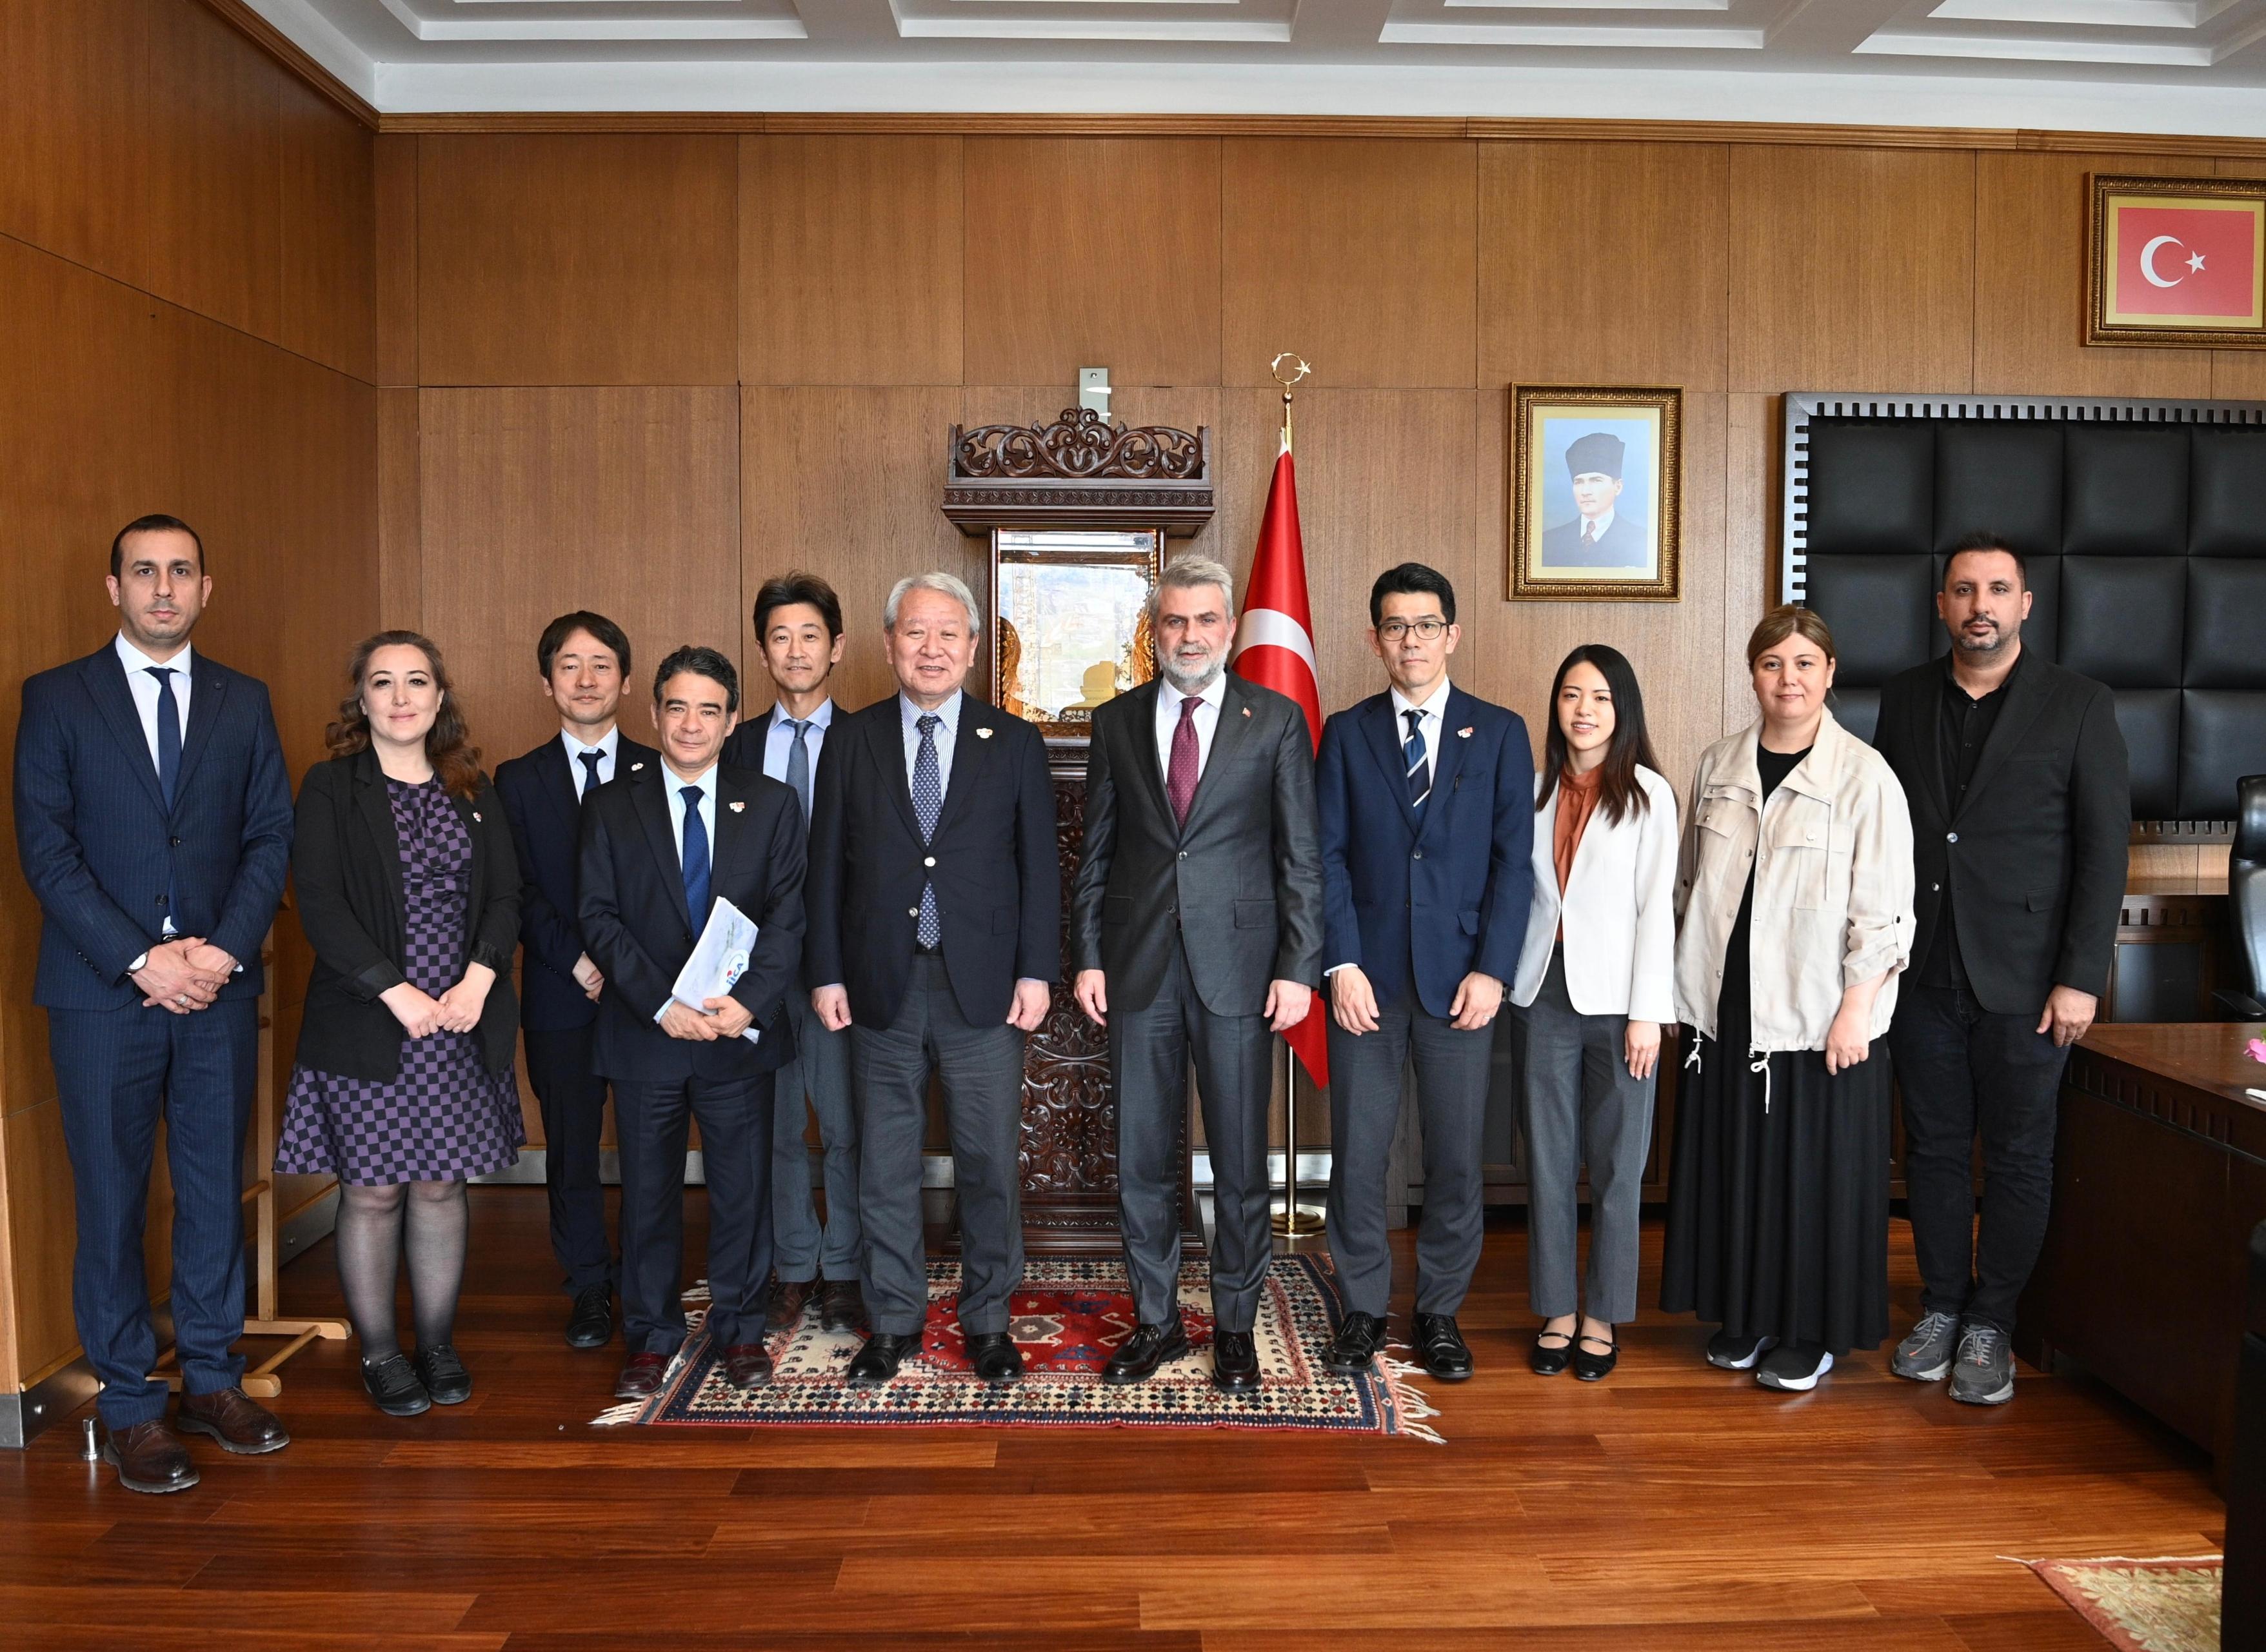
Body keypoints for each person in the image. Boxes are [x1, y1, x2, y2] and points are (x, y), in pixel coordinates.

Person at [13, 515, 295, 1493]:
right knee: (112, 1199)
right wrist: (142, 959)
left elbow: (270, 838)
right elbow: (47, 853)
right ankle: (132, 1403)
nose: (163, 589)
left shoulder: (244, 701)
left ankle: (213, 1382)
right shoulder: (55, 699)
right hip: (101, 997)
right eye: (145, 572)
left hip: (216, 989)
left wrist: (216, 954)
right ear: (114, 587)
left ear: (206, 589)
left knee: (213, 1188)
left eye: (180, 572)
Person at [1874, 533, 2130, 1407]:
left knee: (2019, 1156)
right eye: (1961, 590)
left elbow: (2103, 851)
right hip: (1921, 971)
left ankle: (1993, 1324)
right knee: (1936, 1151)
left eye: (1997, 589)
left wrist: (2080, 976)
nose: (1979, 605)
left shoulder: (2079, 704)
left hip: (2029, 980)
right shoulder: (1903, 700)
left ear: (2025, 604)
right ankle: (1941, 1306)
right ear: (1940, 606)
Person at [1071, 555, 1324, 1394]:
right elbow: (1097, 858)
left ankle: (1237, 1324)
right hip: (1138, 969)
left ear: (1229, 628)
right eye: (1174, 621)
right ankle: (1154, 1322)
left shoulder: (1275, 721)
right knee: (1141, 1157)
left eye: (1204, 620)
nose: (1189, 636)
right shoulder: (1116, 723)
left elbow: (1300, 858)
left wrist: (1298, 966)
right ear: (1156, 630)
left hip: (1242, 972)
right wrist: (1088, 956)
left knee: (1242, 1161)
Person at [804, 573, 1058, 1388]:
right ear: (888, 645)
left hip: (982, 986)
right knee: (884, 1163)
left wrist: (1036, 970)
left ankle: (988, 1320)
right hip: (879, 982)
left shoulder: (1011, 741)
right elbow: (824, 868)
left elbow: (1038, 871)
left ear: (975, 648)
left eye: (949, 634)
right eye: (916, 633)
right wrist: (827, 972)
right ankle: (894, 1321)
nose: (932, 648)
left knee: (988, 1162)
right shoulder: (854, 738)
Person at [1660, 606, 1915, 1393]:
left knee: (1811, 1175)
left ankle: (1811, 1330)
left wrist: (1854, 1009)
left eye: (1805, 663)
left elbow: (1886, 911)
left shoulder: (1863, 774)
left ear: (1830, 673)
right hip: (1728, 1005)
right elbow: (1689, 885)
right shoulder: (1719, 763)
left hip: (1816, 1011)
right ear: (1753, 673)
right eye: (1773, 663)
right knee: (1740, 1164)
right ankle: (1746, 1313)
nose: (1789, 679)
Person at [279, 632, 525, 1418]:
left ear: (440, 696)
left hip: (457, 1020)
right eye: (382, 682)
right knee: (376, 1188)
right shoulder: (330, 787)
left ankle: (438, 1343)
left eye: (416, 680)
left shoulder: (473, 787)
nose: (400, 695)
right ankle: (383, 1354)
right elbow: (318, 901)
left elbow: (506, 895)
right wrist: (398, 992)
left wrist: (480, 975)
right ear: (362, 699)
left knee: (441, 1184)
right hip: (370, 1022)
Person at [1315, 562, 1531, 1384]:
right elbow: (1326, 857)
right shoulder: (1346, 730)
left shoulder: (1501, 731)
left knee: (1452, 1157)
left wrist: (1494, 971)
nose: (1412, 639)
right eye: (1396, 626)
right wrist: (1340, 960)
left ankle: (1439, 1310)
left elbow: (1515, 865)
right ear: (1375, 639)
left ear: (1453, 634)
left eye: (1426, 624)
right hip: (1364, 984)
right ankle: (1364, 1310)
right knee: (1360, 1154)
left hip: (1460, 985)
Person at [579, 646, 806, 1401]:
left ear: (732, 719)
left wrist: (749, 1002)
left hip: (737, 1032)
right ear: (654, 713)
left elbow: (786, 918)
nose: (691, 723)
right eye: (676, 706)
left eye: (709, 709)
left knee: (743, 1190)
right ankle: (650, 1337)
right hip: (648, 1036)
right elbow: (599, 918)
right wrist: (661, 1003)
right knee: (647, 1194)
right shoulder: (613, 805)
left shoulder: (770, 802)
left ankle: (741, 1329)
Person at [1509, 644, 1676, 1382]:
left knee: (1618, 1165)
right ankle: (1555, 1308)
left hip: (1620, 1004)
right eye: (1572, 694)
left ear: (1623, 709)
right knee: (1546, 1160)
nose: (1583, 709)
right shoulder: (1534, 790)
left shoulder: (1649, 794)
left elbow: (1657, 912)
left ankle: (1603, 1312)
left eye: (1601, 697)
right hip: (1543, 992)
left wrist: (1649, 1012)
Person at [493, 612, 656, 1351]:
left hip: (650, 995)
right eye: (569, 665)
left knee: (653, 1146)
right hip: (562, 994)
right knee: (571, 1147)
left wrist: (626, 968)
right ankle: (589, 1284)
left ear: (626, 680)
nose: (585, 679)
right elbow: (517, 892)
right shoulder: (517, 780)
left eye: (601, 665)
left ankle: (652, 1283)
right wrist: (581, 961)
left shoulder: (662, 766)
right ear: (546, 681)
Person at [720, 573, 864, 1338]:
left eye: (811, 634)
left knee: (843, 1124)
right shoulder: (735, 743)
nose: (796, 649)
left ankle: (844, 1270)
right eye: (781, 636)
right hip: (754, 968)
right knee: (774, 1125)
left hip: (840, 962)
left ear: (836, 646)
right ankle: (794, 1265)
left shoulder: (871, 737)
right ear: (763, 651)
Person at [1540, 432, 1649, 569]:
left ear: (1618, 487)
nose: (1585, 492)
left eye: (1596, 481)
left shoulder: (1643, 541)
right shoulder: (1549, 541)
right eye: (1579, 482)